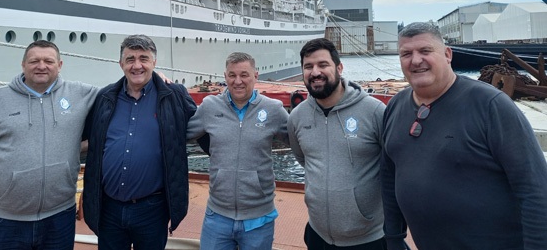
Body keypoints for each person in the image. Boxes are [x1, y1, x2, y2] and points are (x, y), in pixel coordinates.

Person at [382, 22, 547, 250]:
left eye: (425, 51)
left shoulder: (490, 106)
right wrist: (393, 238)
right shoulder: (395, 106)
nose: (416, 60)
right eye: (406, 54)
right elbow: (389, 176)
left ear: (447, 54)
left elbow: (535, 189)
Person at [0, 40, 99, 250]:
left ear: (59, 65)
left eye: (48, 61)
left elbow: (121, 93)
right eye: (34, 61)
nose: (41, 66)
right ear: (23, 65)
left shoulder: (80, 94)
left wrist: (149, 80)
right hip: (5, 220)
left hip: (59, 218)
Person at [82, 34, 196, 250]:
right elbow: (86, 137)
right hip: (109, 209)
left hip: (152, 209)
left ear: (154, 62)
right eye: (130, 59)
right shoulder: (105, 97)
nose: (137, 66)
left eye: (144, 59)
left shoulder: (174, 95)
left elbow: (206, 128)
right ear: (121, 64)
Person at [288, 38, 386, 250]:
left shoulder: (374, 111)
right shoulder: (297, 117)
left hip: (368, 238)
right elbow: (304, 159)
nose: (315, 72)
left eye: (323, 64)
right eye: (308, 66)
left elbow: (392, 167)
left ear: (339, 68)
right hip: (317, 234)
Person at [186, 52, 289, 250]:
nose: (238, 81)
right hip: (217, 215)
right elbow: (179, 135)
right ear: (225, 77)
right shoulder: (210, 107)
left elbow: (301, 143)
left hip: (259, 218)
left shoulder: (273, 109)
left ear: (256, 76)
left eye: (244, 75)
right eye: (232, 75)